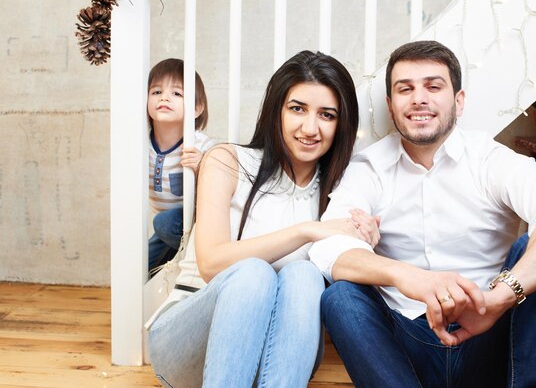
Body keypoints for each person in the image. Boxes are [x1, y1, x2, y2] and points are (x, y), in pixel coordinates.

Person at [308, 40, 536, 388]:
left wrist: (499, 298)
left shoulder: (491, 160)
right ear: (391, 105)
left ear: (458, 102)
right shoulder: (367, 168)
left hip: (490, 334)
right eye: (406, 89)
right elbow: (328, 248)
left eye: (433, 86)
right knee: (341, 297)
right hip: (405, 346)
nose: (419, 98)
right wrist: (408, 277)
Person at [146, 50, 376, 388]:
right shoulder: (227, 160)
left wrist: (365, 240)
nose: (310, 127)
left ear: (341, 124)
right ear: (276, 111)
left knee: (304, 275)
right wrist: (306, 231)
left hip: (278, 356)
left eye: (326, 115)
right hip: (189, 342)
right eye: (297, 109)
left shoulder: (341, 189)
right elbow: (211, 263)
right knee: (253, 272)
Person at [147, 58, 217, 273]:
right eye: (156, 92)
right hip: (169, 228)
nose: (165, 97)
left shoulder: (200, 144)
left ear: (197, 108)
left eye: (176, 93)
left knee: (164, 223)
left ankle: (202, 253)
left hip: (199, 223)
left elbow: (224, 181)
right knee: (139, 267)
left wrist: (203, 166)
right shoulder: (141, 142)